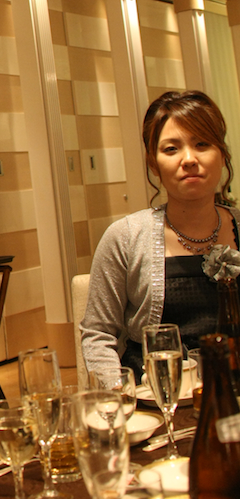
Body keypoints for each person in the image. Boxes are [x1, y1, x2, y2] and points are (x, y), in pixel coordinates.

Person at [81, 90, 240, 382]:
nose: (189, 159)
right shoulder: (126, 237)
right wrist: (119, 396)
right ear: (153, 163)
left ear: (222, 155)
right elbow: (98, 333)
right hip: (154, 394)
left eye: (202, 144)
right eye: (171, 149)